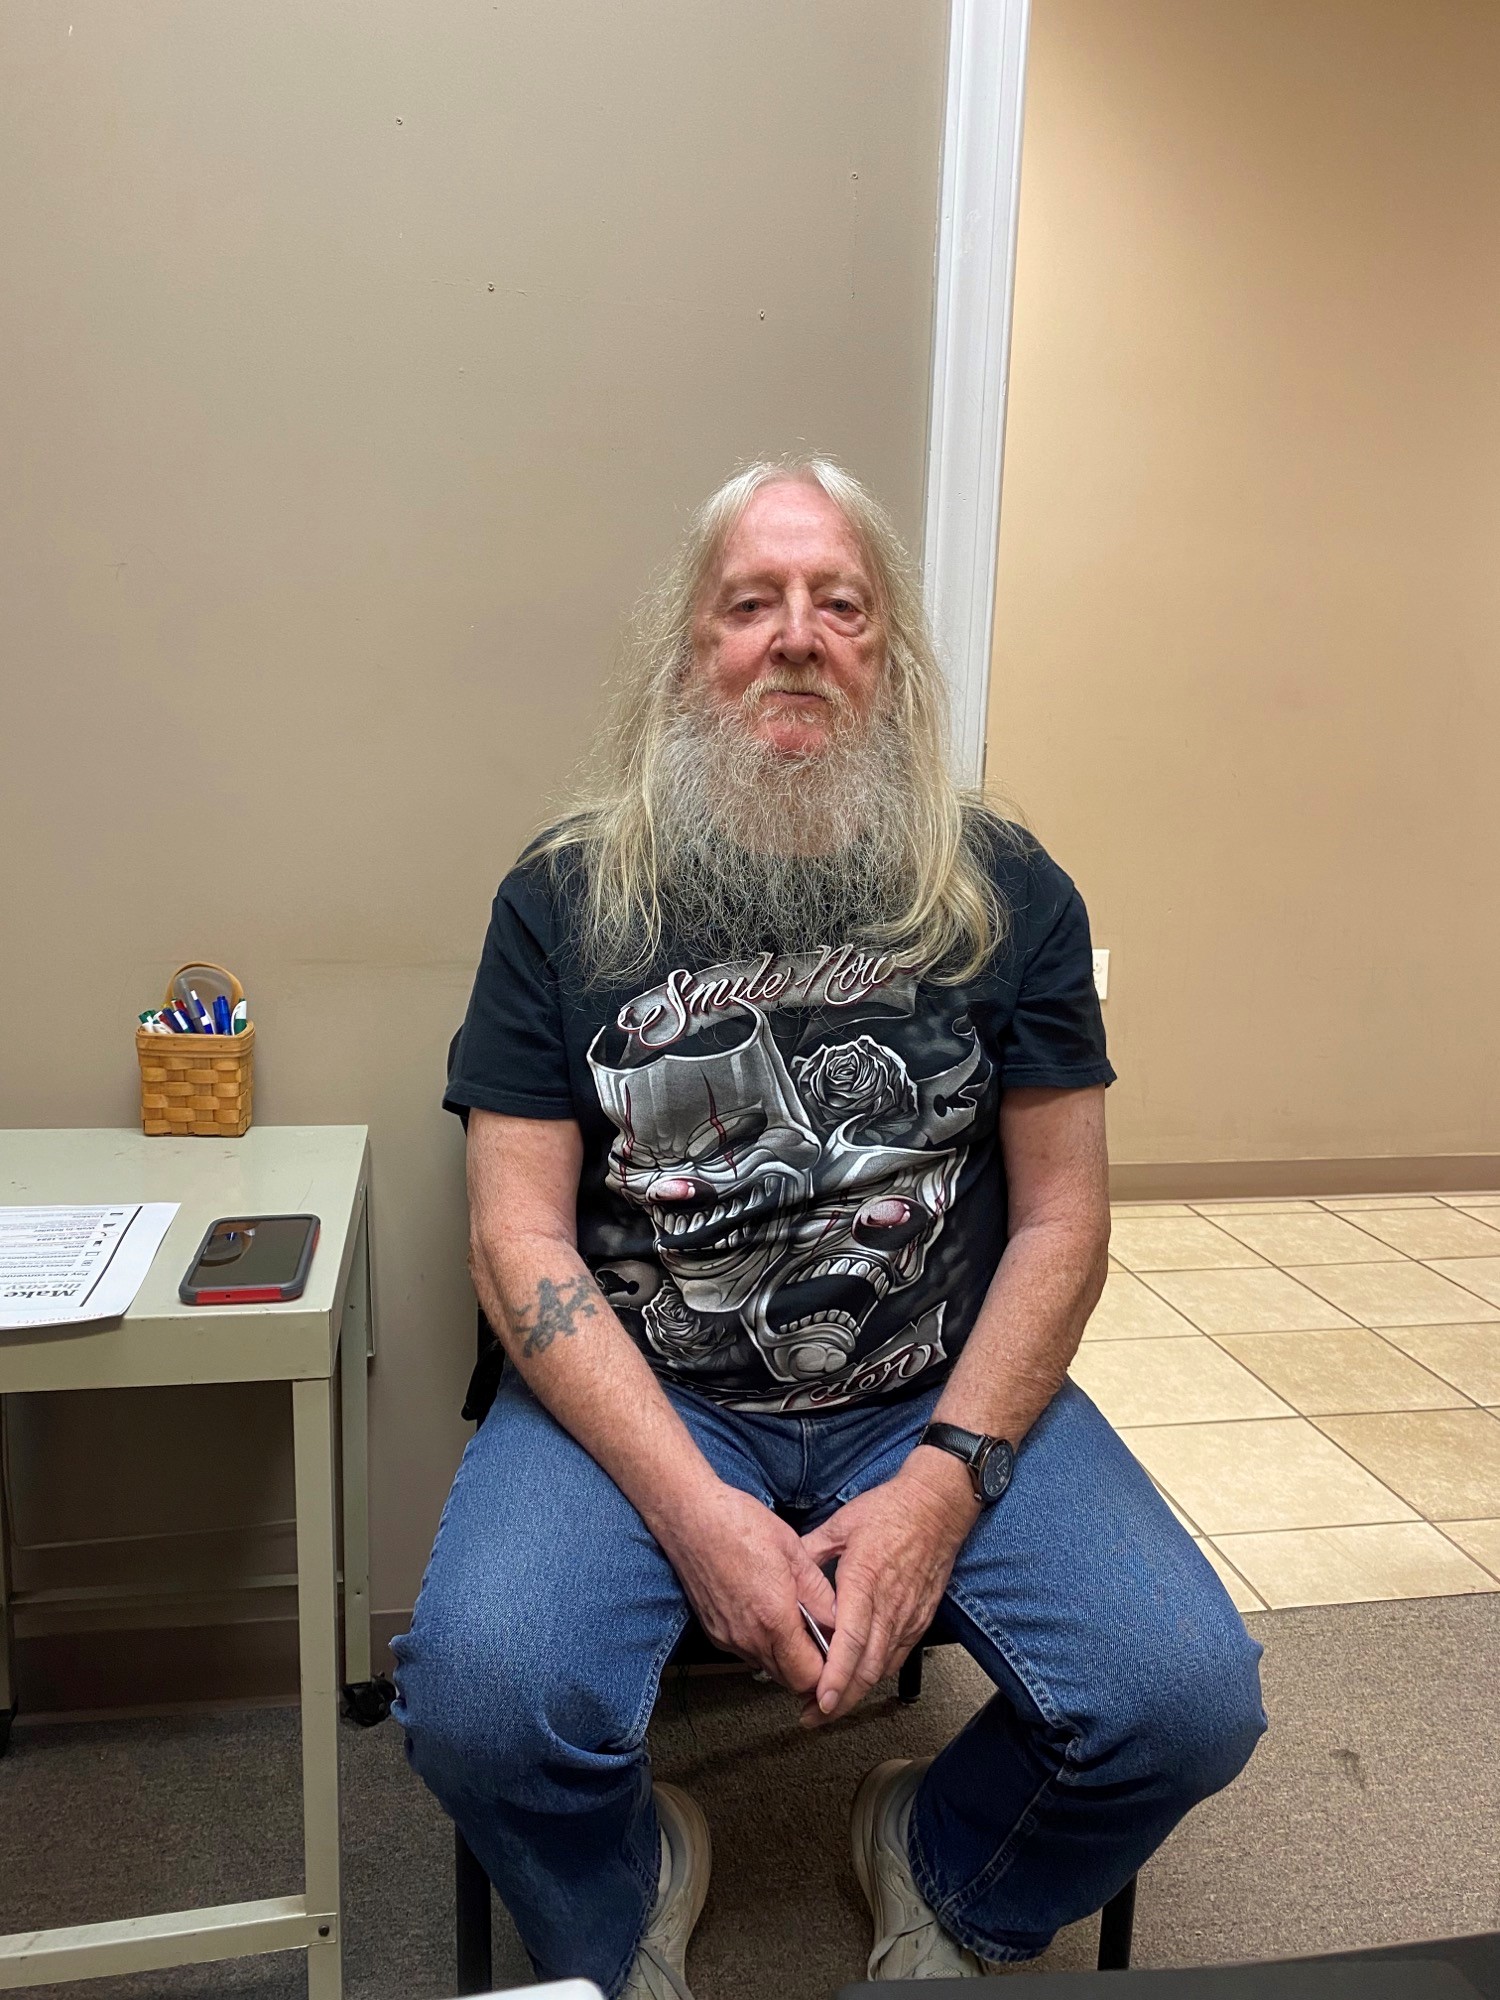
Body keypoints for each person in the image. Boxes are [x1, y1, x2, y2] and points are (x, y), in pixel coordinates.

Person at [392, 458, 1265, 2000]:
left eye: (839, 604)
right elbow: (514, 1240)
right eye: (752, 603)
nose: (795, 635)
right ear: (688, 656)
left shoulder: (1008, 892)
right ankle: (628, 1888)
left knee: (1184, 1702)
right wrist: (692, 1509)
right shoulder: (563, 898)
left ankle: (943, 1859)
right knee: (478, 1705)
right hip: (653, 1395)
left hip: (929, 1391)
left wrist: (943, 1483)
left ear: (892, 659)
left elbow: (1065, 1220)